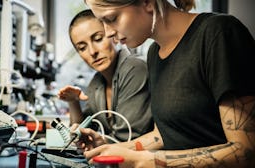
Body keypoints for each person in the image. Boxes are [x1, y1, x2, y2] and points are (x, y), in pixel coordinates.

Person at [73, 0, 255, 167]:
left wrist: (148, 161)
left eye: (112, 18)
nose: (109, 32)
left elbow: (246, 152)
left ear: (147, 2)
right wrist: (111, 148)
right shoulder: (154, 54)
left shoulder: (219, 33)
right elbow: (162, 135)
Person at [57, 9, 153, 142]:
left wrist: (93, 141)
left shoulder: (135, 68)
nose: (92, 52)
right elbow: (78, 134)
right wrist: (73, 102)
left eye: (98, 39)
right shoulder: (96, 83)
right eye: (82, 48)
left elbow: (127, 139)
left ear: (113, 34)